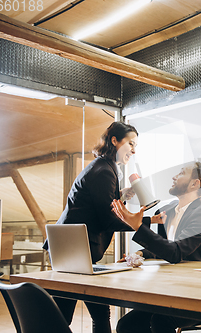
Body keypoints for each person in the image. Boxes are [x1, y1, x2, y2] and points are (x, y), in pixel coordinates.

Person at [43, 121, 138, 333]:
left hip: (73, 248)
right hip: (73, 249)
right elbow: (107, 219)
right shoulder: (104, 171)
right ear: (115, 141)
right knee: (66, 314)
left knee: (91, 311)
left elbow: (97, 204)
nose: (133, 149)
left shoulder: (103, 166)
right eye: (130, 143)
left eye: (135, 146)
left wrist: (120, 194)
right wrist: (143, 223)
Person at [112, 161, 201, 333]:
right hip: (171, 290)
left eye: (182, 172)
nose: (174, 176)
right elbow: (162, 247)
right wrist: (140, 254)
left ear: (194, 183)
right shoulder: (166, 210)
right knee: (126, 325)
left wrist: (138, 227)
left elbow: (175, 252)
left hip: (197, 294)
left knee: (160, 321)